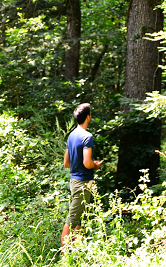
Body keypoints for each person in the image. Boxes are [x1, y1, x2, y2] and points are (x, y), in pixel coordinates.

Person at [60, 102, 103, 247]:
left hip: (74, 181)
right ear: (88, 117)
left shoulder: (71, 135)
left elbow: (66, 163)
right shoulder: (87, 136)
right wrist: (95, 165)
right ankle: (65, 255)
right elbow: (87, 163)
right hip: (83, 183)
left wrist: (83, 164)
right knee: (72, 220)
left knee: (81, 219)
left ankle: (76, 251)